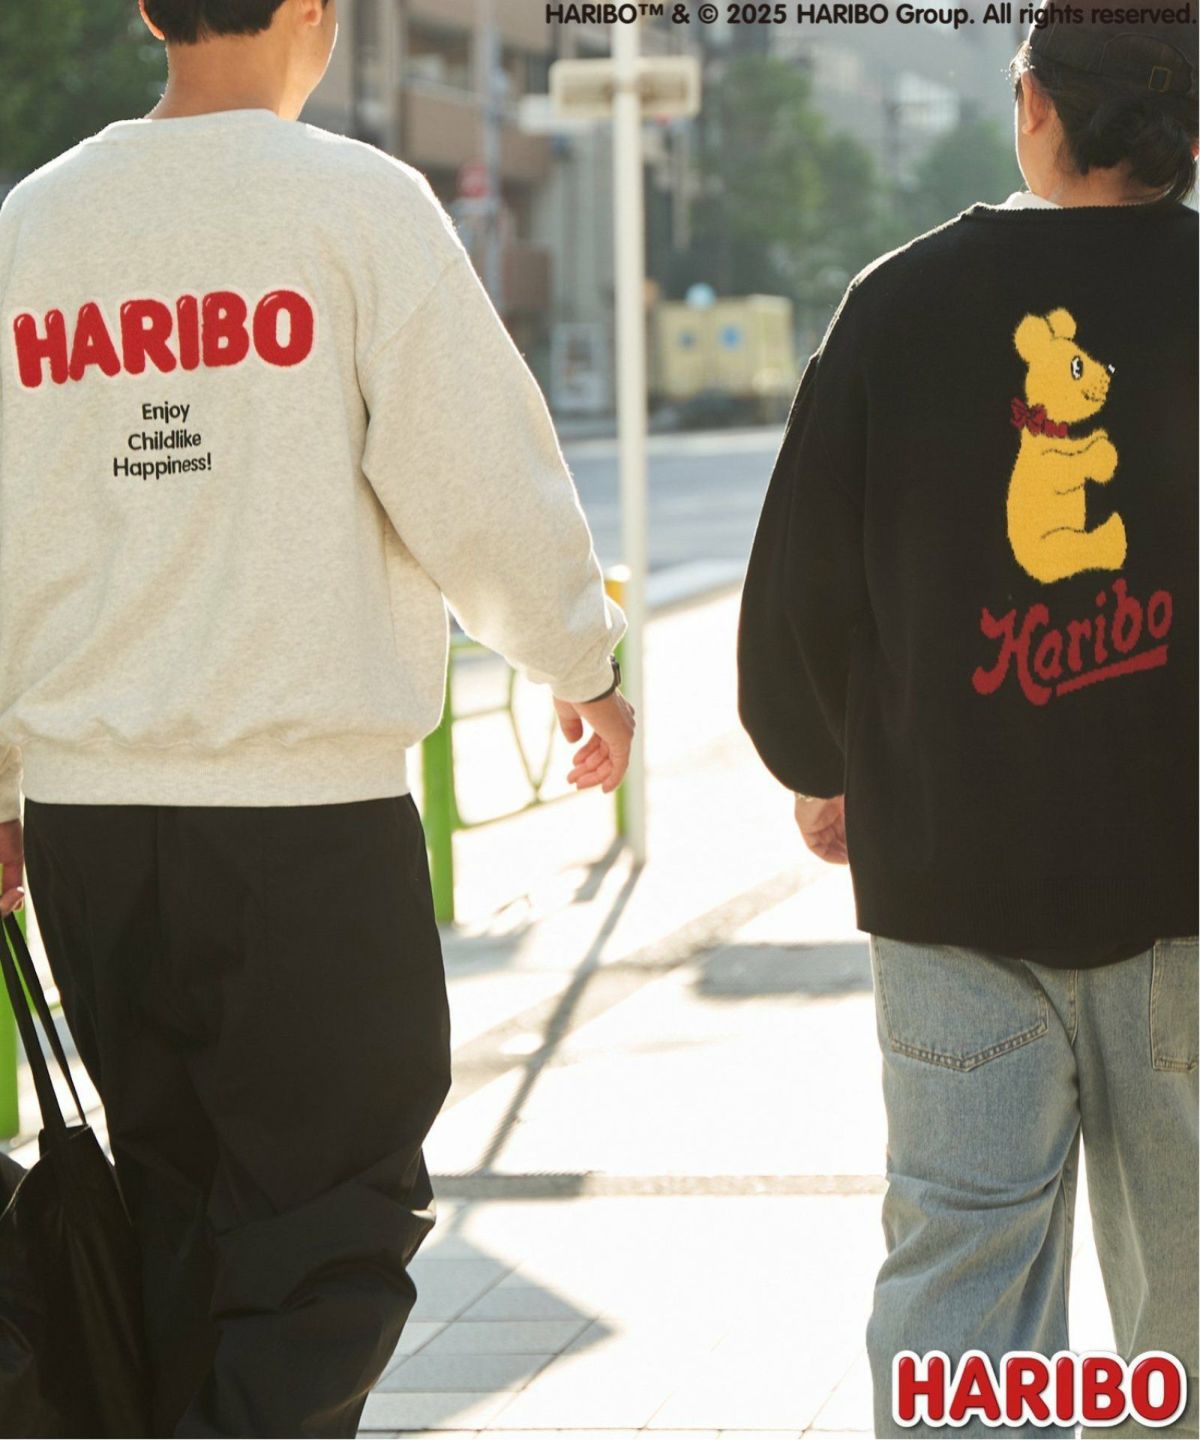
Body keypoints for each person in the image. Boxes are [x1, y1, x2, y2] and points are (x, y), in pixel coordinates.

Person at [0, 0, 634, 1433]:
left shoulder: (36, 225)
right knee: (329, 1222)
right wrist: (579, 665)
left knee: (174, 1207)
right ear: (311, 11)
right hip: (305, 822)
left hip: (97, 824)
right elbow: (479, 480)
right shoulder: (355, 206)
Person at [738, 11, 1198, 1438]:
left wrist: (823, 764)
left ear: (1034, 106)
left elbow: (801, 583)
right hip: (1187, 885)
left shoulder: (899, 304)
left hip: (953, 881)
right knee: (1192, 1281)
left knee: (959, 1263)